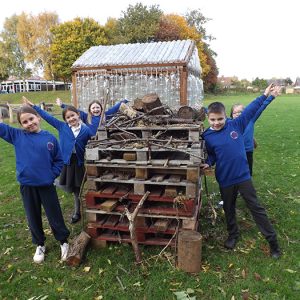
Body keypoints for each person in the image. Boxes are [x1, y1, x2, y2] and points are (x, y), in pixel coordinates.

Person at [201, 84, 282, 258]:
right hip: (225, 179)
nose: (216, 123)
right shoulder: (207, 136)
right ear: (208, 118)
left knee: (256, 208)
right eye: (213, 120)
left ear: (225, 116)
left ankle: (272, 241)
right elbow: (212, 155)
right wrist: (208, 162)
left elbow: (251, 110)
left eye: (220, 119)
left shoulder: (236, 125)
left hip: (243, 177)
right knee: (229, 208)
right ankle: (233, 235)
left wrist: (264, 94)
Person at [0, 106, 70, 264]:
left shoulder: (50, 138)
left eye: (31, 119)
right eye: (24, 122)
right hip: (27, 185)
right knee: (33, 215)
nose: (29, 123)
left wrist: (51, 175)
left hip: (46, 185)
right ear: (20, 125)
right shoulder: (17, 135)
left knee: (54, 214)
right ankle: (40, 244)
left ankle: (63, 242)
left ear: (38, 117)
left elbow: (59, 160)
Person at [23, 97, 93, 224]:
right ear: (65, 120)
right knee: (67, 185)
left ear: (78, 115)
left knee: (77, 190)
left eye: (73, 115)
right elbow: (48, 117)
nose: (71, 119)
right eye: (68, 117)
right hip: (65, 162)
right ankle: (57, 182)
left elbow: (92, 143)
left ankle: (77, 212)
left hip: (78, 163)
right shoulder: (62, 127)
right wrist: (34, 107)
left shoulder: (86, 130)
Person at [230, 93, 275, 176]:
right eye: (234, 112)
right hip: (235, 151)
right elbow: (218, 115)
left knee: (248, 171)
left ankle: (247, 185)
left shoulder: (250, 120)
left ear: (246, 113)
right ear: (231, 115)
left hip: (248, 151)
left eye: (240, 112)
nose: (237, 114)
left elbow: (262, 107)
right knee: (236, 170)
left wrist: (271, 96)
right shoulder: (230, 124)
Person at [56, 98, 128, 135]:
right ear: (90, 110)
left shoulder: (105, 115)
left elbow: (115, 108)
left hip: (103, 139)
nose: (95, 109)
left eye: (97, 107)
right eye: (93, 108)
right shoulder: (86, 117)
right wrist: (62, 105)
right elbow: (74, 110)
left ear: (101, 108)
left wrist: (125, 100)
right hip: (91, 140)